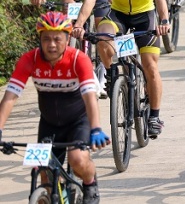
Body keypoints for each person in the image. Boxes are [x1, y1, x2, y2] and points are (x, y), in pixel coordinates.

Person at [0, 12, 110, 204]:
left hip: (78, 121)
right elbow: (10, 97)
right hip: (49, 123)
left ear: (67, 39)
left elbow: (89, 98)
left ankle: (90, 183)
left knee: (77, 160)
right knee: (44, 174)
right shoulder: (30, 59)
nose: (51, 44)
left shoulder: (78, 59)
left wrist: (96, 128)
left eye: (57, 39)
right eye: (46, 39)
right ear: (40, 40)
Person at [71, 0, 171, 139]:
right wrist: (79, 25)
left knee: (151, 67)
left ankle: (154, 117)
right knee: (102, 36)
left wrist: (163, 20)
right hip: (119, 16)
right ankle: (111, 75)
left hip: (145, 16)